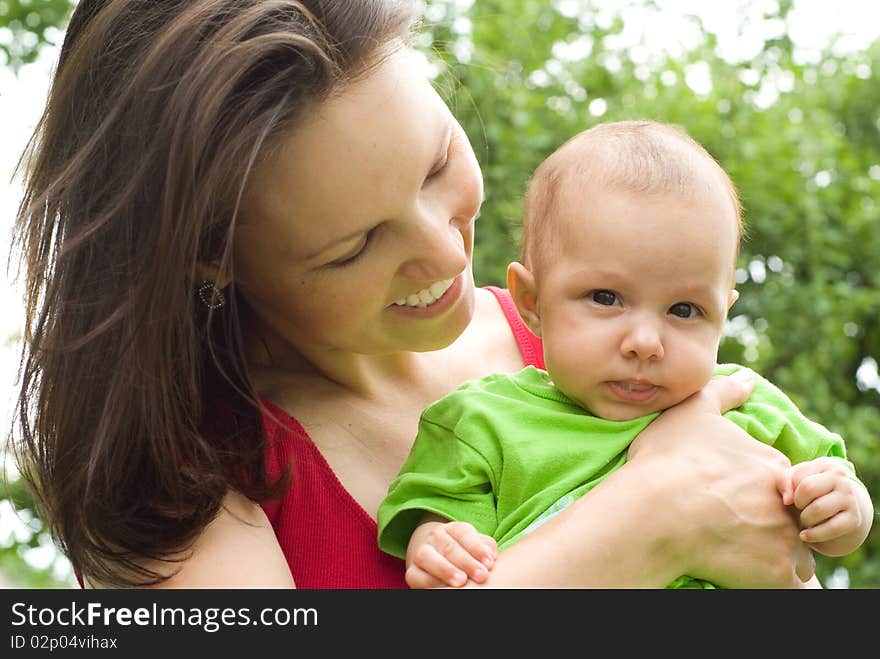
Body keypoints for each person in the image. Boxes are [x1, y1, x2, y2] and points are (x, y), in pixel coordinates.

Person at [9, 0, 819, 589]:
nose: (445, 247)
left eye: (436, 164)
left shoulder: (600, 341)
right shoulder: (180, 493)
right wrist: (651, 519)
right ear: (207, 262)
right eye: (356, 244)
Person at [377, 120, 874, 589]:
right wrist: (437, 543)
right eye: (606, 298)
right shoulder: (482, 422)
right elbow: (451, 544)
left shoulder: (745, 404)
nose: (645, 342)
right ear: (532, 303)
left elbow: (837, 509)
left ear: (724, 312)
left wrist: (841, 507)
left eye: (684, 309)